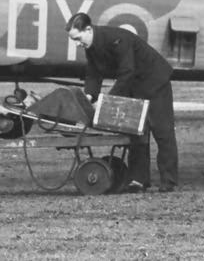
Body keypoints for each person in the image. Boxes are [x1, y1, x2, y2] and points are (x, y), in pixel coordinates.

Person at [66, 12, 179, 192]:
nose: (78, 44)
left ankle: (169, 181)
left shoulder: (117, 38)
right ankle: (139, 180)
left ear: (88, 29)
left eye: (78, 38)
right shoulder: (91, 47)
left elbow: (127, 72)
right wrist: (89, 97)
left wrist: (107, 101)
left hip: (154, 82)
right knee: (136, 131)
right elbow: (93, 74)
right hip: (134, 85)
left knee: (162, 132)